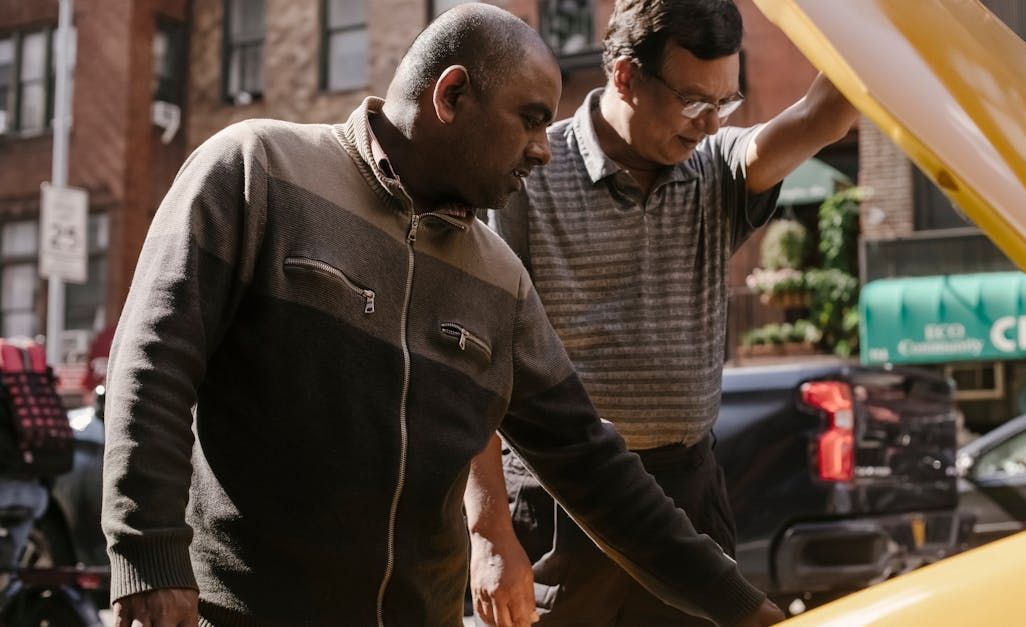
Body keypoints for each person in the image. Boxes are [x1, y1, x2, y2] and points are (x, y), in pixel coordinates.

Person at [100, 4, 783, 627]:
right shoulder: (257, 171)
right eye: (531, 119)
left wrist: (748, 612)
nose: (544, 149)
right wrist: (151, 559)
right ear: (452, 95)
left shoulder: (497, 280)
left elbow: (595, 468)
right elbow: (154, 365)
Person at [468, 0, 859, 625]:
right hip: (559, 503)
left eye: (725, 102)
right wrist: (487, 530)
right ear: (625, 76)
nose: (710, 123)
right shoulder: (530, 176)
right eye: (694, 100)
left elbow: (825, 112)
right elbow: (476, 360)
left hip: (688, 496)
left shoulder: (719, 168)